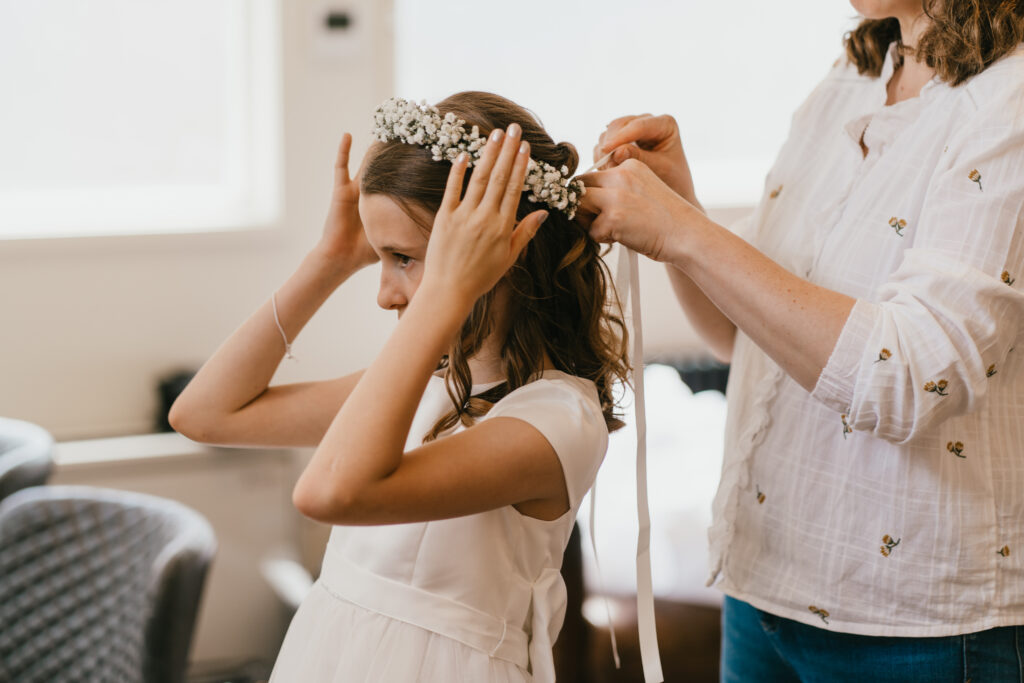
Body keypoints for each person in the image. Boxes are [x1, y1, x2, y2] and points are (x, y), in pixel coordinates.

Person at [578, 0, 1024, 680]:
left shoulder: (1009, 103)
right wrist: (684, 211)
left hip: (916, 626)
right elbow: (741, 335)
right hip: (763, 592)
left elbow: (908, 377)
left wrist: (684, 233)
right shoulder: (854, 76)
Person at [169, 91, 629, 682]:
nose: (384, 292)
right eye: (378, 258)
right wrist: (331, 259)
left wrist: (442, 293)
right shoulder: (436, 386)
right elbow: (203, 415)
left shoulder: (558, 421)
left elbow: (331, 493)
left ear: (496, 251)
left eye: (403, 259)